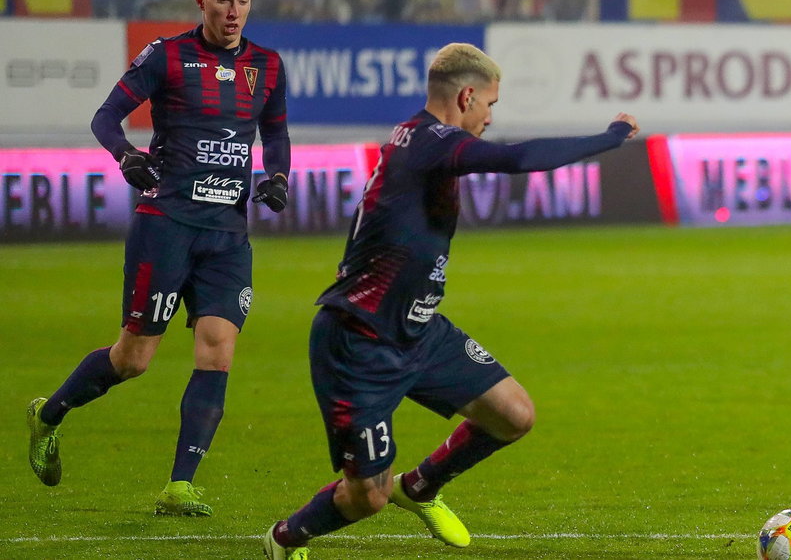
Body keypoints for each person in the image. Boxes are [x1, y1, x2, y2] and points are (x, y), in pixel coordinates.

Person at [262, 43, 638, 559]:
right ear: (466, 96)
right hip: (361, 342)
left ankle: (418, 487)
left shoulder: (416, 137)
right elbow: (518, 158)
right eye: (489, 104)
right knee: (366, 497)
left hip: (417, 329)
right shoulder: (432, 143)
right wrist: (610, 137)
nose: (489, 117)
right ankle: (287, 537)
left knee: (513, 415)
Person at [26, 0, 290, 517]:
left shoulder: (268, 66)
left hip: (226, 233)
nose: (233, 11)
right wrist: (126, 156)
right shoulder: (167, 57)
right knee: (134, 359)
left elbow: (275, 132)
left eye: (243, 1)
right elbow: (104, 117)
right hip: (165, 224)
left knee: (218, 351)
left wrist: (277, 177)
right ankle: (50, 414)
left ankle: (180, 486)